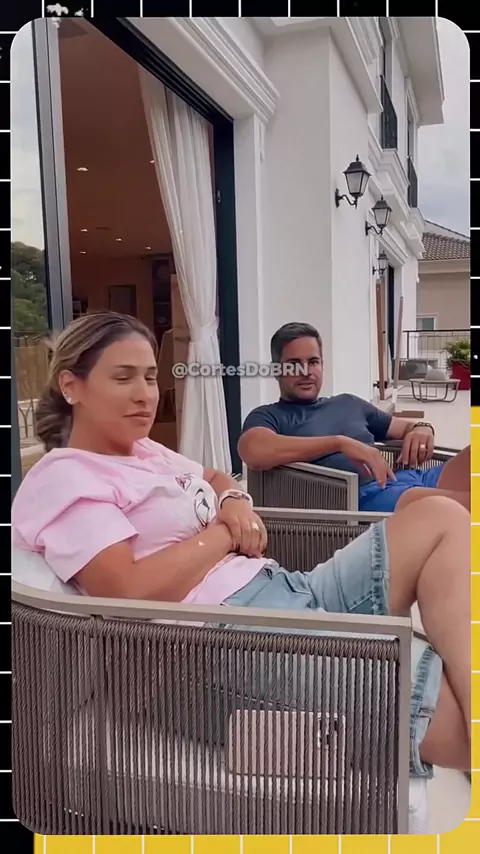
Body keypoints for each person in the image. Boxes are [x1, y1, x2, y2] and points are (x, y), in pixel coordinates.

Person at [12, 312, 469, 779]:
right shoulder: (66, 476)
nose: (145, 394)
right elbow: (126, 591)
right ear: (72, 386)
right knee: (427, 689)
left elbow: (215, 476)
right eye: (123, 377)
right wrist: (226, 533)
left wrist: (232, 501)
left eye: (149, 377)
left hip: (283, 589)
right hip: (218, 646)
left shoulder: (144, 451)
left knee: (442, 518)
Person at [238, 322, 470, 512]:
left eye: (313, 362)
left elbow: (406, 428)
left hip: (407, 478)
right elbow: (254, 450)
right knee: (466, 505)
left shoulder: (348, 403)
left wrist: (423, 428)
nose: (306, 372)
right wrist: (340, 443)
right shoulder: (270, 415)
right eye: (294, 364)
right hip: (366, 498)